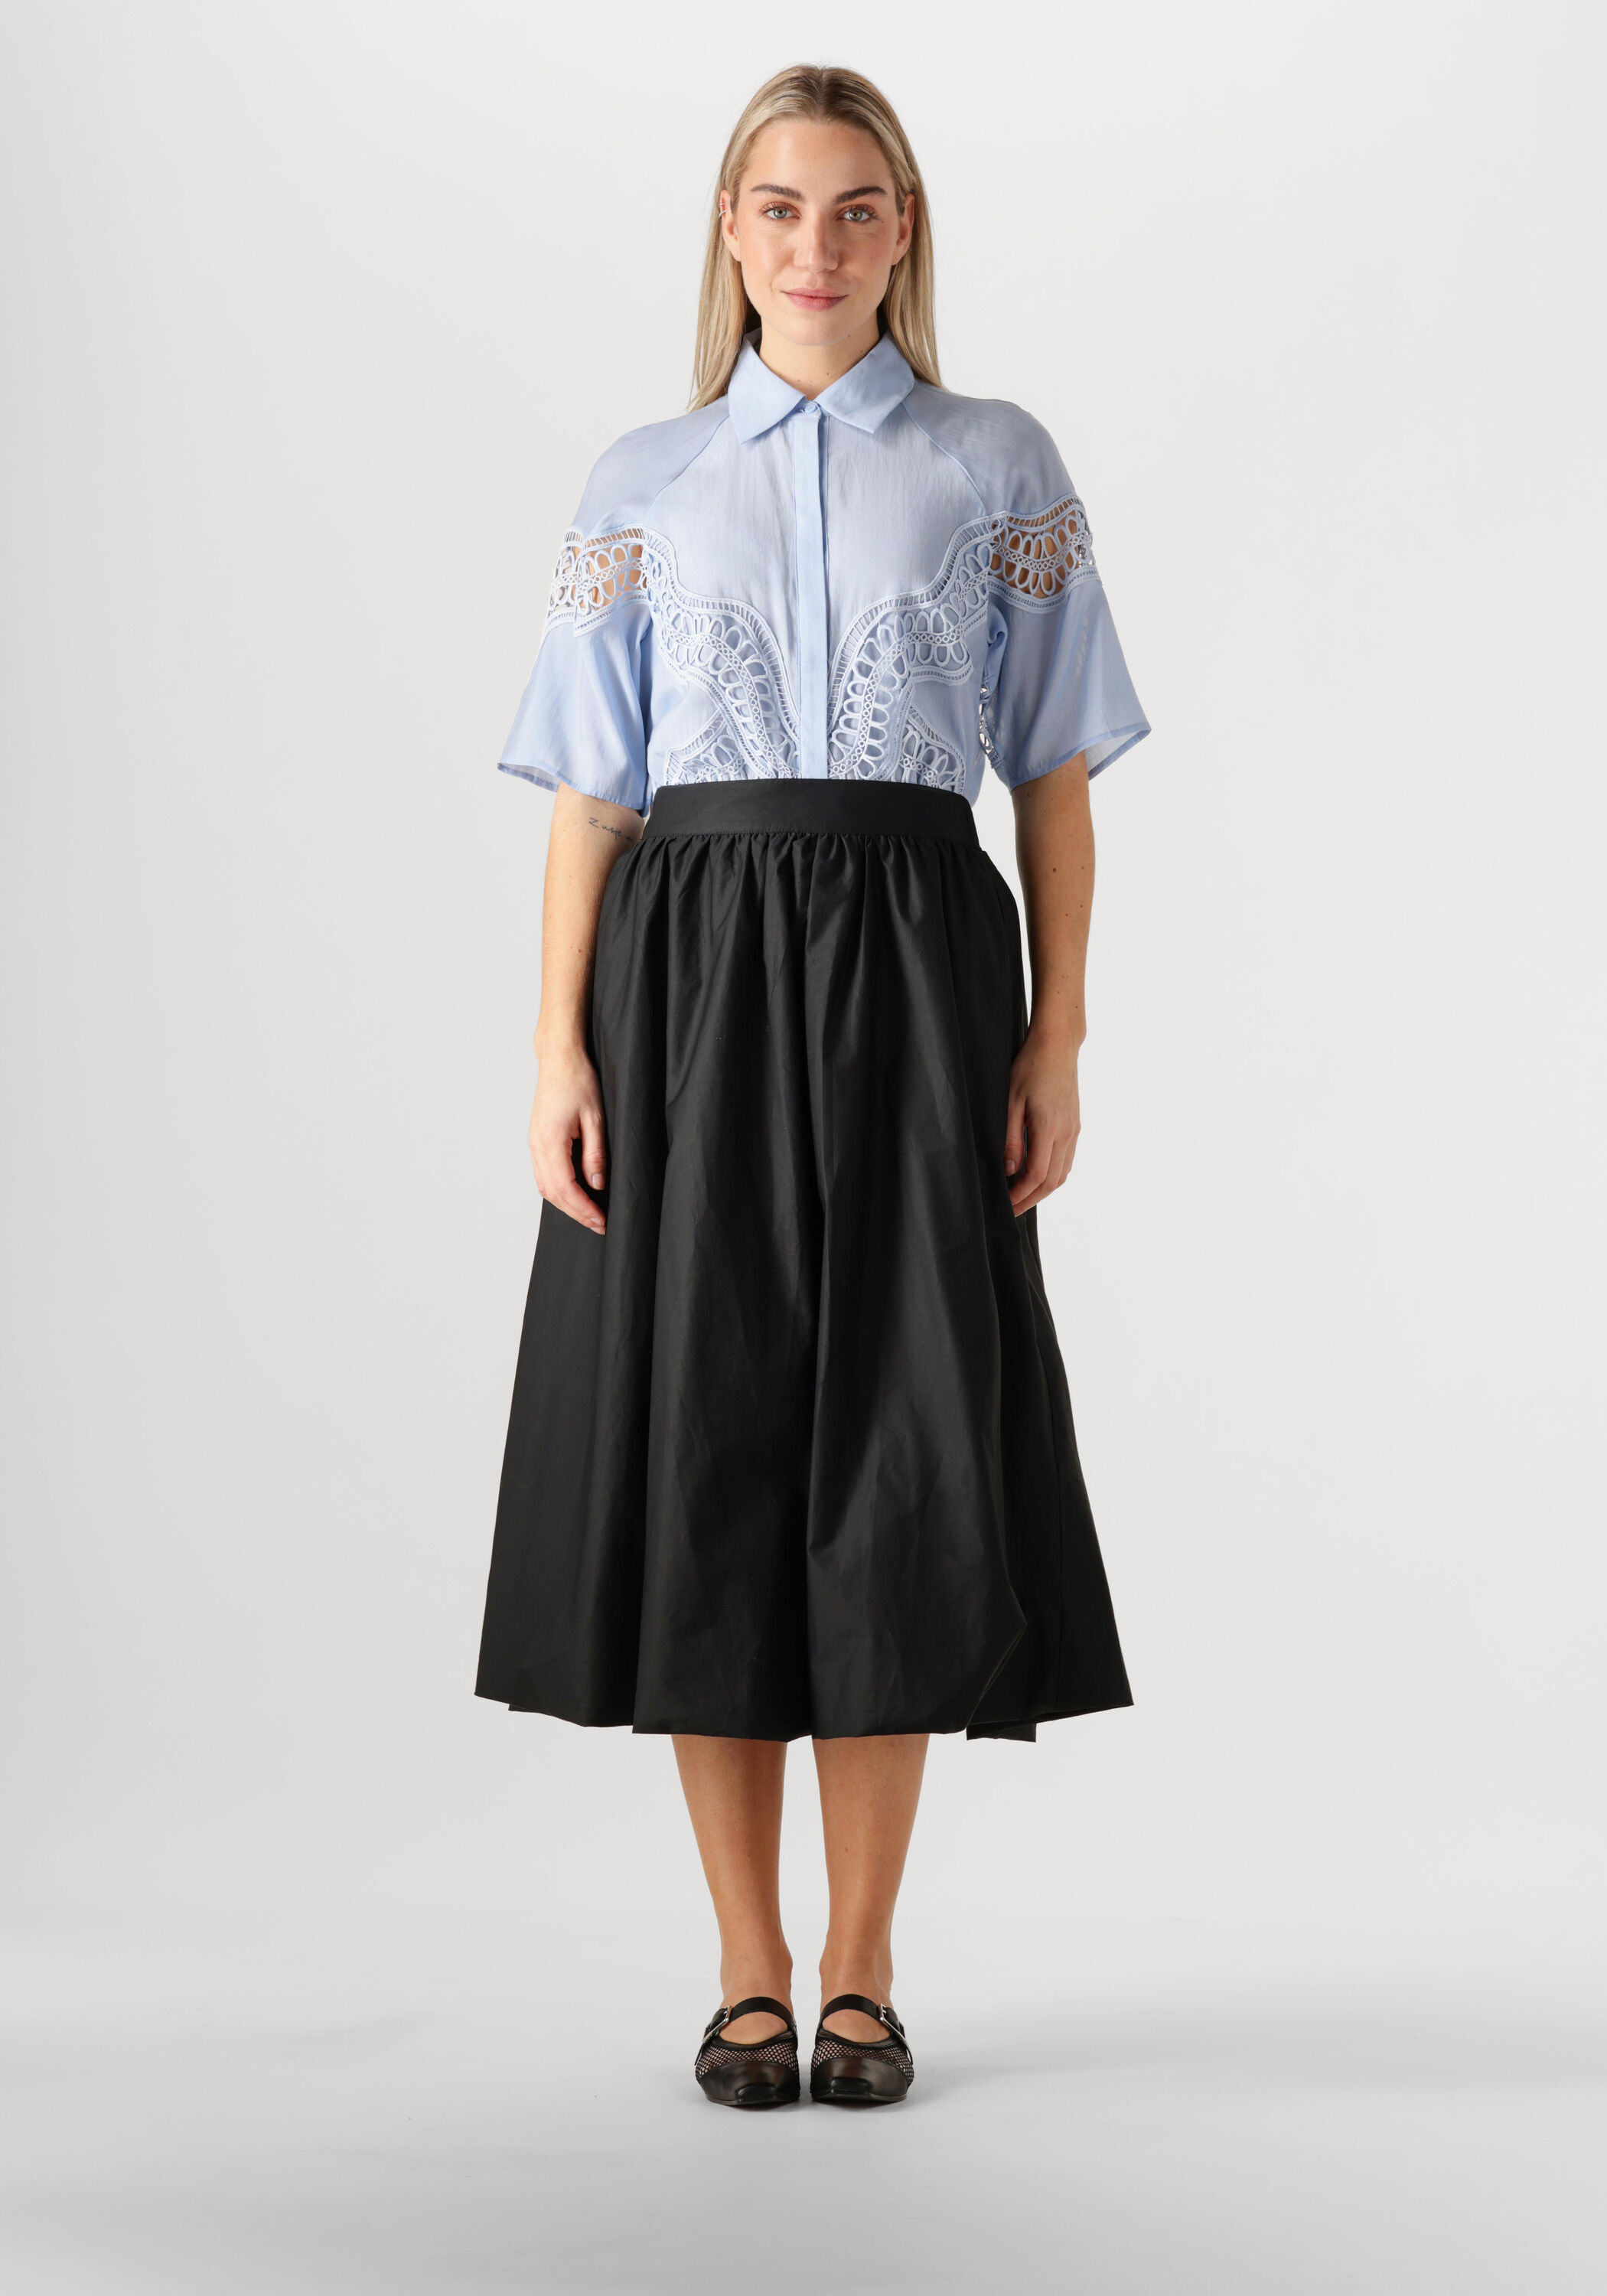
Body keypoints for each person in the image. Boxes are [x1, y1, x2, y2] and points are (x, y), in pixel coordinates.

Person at [475, 62, 1149, 2110]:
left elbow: (1052, 777)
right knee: (712, 1447)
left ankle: (863, 1966)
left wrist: (1054, 1032)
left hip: (918, 971)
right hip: (687, 982)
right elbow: (594, 798)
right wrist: (555, 1047)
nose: (817, 244)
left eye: (857, 208)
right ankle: (745, 1970)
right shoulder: (643, 479)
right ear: (730, 228)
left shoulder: (993, 459)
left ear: (903, 229)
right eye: (780, 207)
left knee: (897, 1451)